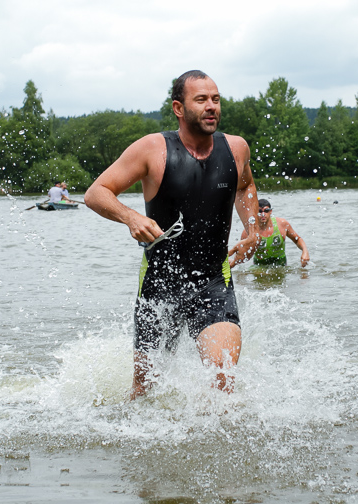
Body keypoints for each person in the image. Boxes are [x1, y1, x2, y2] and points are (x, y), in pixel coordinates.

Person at [84, 70, 259, 400]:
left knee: (223, 378)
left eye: (216, 99)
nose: (212, 107)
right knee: (144, 389)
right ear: (179, 108)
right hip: (159, 283)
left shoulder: (236, 148)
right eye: (201, 100)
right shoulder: (153, 149)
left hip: (212, 280)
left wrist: (251, 229)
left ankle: (212, 447)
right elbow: (96, 193)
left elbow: (246, 185)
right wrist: (130, 216)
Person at [241, 199, 310, 267]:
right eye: (259, 211)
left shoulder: (282, 224)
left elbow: (297, 239)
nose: (263, 214)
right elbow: (241, 252)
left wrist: (305, 251)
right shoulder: (249, 230)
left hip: (281, 266)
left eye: (266, 211)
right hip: (259, 267)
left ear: (270, 211)